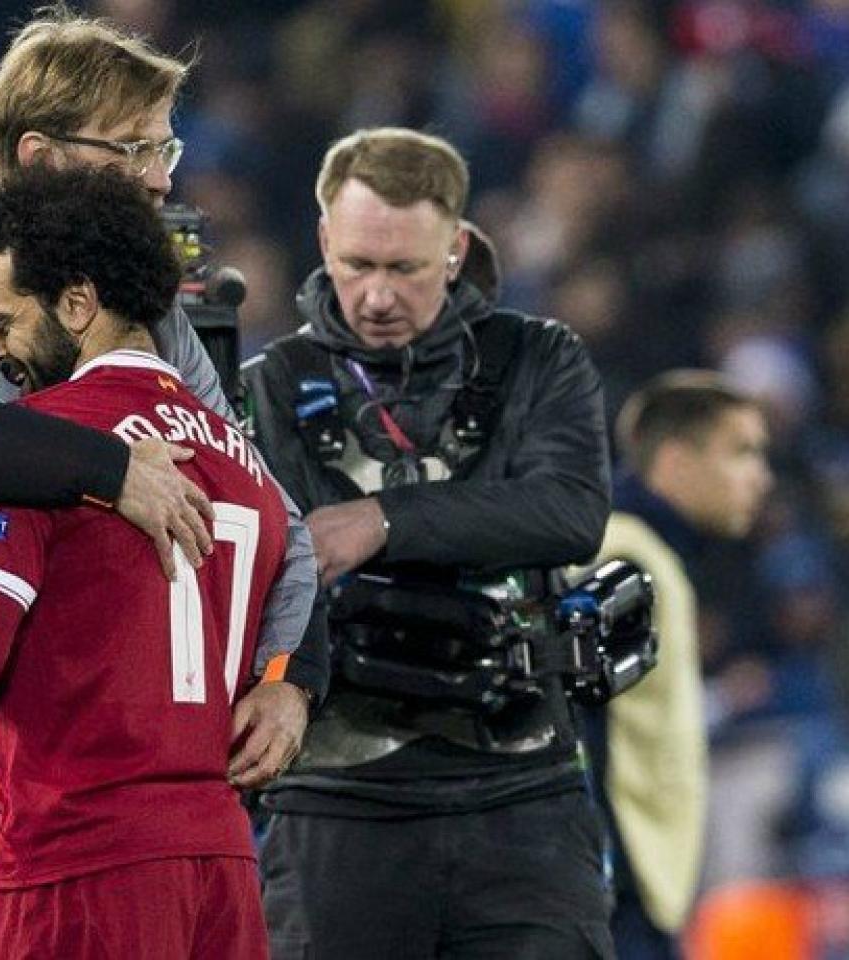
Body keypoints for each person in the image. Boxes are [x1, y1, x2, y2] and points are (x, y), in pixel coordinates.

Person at [0, 8, 325, 957]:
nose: (159, 175)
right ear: (39, 153)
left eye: (165, 145)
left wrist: (291, 676)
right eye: (134, 146)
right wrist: (108, 471)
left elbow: (267, 511)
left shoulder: (147, 312)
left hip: (98, 800)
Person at [240, 127, 614, 958]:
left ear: (456, 248)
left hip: (521, 797)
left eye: (405, 269)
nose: (377, 296)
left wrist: (381, 523)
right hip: (337, 804)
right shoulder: (265, 387)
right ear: (324, 242)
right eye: (357, 264)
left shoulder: (541, 360)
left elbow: (570, 511)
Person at [590, 372, 772, 959]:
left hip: (632, 884)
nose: (760, 477)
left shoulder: (651, 551)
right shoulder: (626, 553)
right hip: (618, 888)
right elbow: (579, 721)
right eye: (741, 452)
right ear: (676, 462)